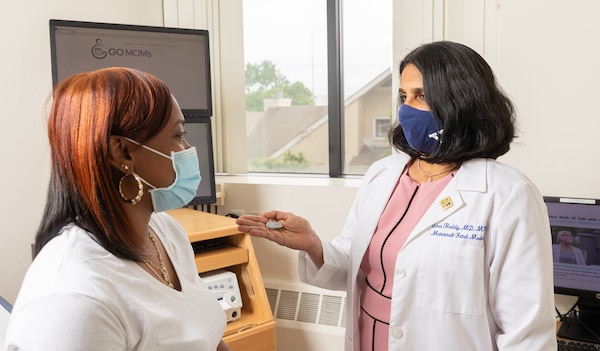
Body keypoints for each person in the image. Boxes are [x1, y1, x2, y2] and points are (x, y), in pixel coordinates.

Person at [236, 41, 556, 350]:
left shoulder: (507, 194)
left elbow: (526, 332)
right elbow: (359, 262)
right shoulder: (383, 174)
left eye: (421, 95)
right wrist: (312, 244)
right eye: (404, 95)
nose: (406, 108)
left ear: (461, 100)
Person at [5, 67, 231, 351]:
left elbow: (207, 337)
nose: (187, 149)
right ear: (122, 152)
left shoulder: (165, 231)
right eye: (178, 135)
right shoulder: (74, 298)